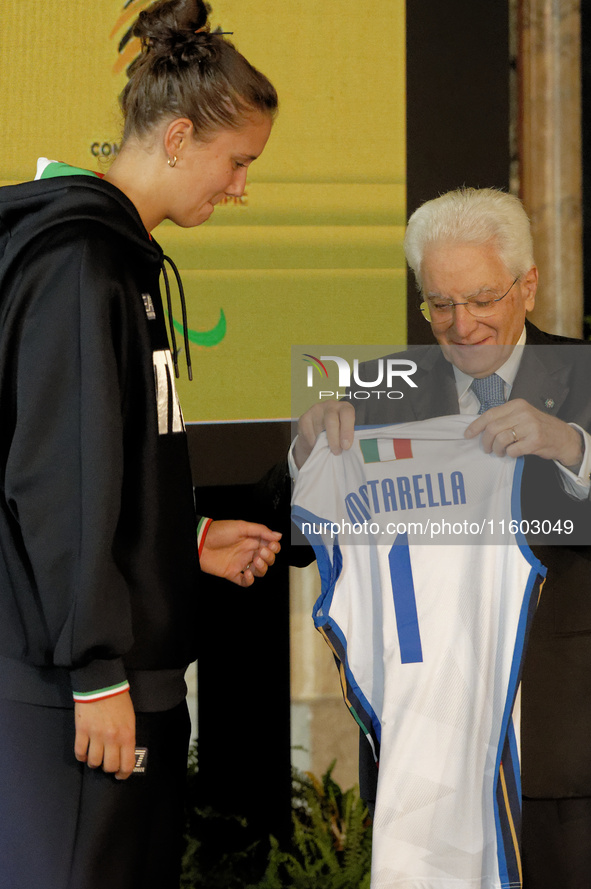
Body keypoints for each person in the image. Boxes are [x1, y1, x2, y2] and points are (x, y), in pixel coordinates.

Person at [0, 1, 281, 887]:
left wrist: (187, 540)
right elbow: (57, 482)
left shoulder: (118, 259)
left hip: (120, 679)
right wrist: (94, 672)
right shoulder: (80, 263)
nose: (239, 187)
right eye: (237, 162)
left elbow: (110, 463)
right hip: (73, 696)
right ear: (178, 136)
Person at [291, 188, 591, 889]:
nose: (462, 325)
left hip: (553, 746)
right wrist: (305, 454)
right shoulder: (380, 386)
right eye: (440, 304)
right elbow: (297, 533)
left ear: (527, 284)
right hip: (423, 754)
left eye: (481, 299)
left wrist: (569, 445)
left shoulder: (582, 376)